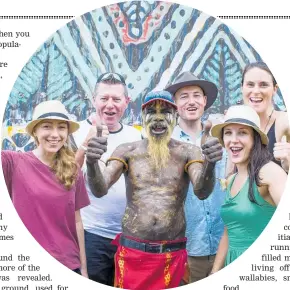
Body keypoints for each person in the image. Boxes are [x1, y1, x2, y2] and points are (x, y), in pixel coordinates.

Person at [85, 90, 223, 290]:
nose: (158, 119)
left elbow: (202, 192)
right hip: (132, 253)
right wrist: (91, 162)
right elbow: (100, 189)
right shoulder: (127, 150)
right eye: (151, 111)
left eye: (165, 111)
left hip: (171, 255)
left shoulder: (188, 152)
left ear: (175, 117)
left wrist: (210, 162)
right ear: (142, 117)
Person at [1, 100, 90, 275]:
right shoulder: (12, 163)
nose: (55, 134)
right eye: (47, 127)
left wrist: (84, 269)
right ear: (35, 131)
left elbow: (77, 221)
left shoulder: (73, 170)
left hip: (69, 264)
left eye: (61, 128)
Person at [72, 72, 141, 285]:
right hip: (91, 234)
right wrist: (88, 141)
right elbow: (66, 179)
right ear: (94, 100)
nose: (110, 105)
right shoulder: (76, 132)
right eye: (104, 98)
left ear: (127, 102)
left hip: (129, 238)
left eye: (116, 99)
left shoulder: (136, 136)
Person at [165, 71, 228, 283]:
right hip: (186, 248)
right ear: (174, 104)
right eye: (184, 96)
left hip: (224, 245)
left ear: (205, 101)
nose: (191, 102)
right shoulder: (165, 143)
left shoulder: (223, 138)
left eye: (196, 95)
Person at [210, 105, 287, 271]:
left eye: (242, 133)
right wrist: (214, 272)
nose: (234, 139)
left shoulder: (269, 173)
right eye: (228, 132)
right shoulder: (231, 180)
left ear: (255, 139)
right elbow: (229, 231)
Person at [241, 61, 290, 171]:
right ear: (242, 87)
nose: (256, 91)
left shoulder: (284, 122)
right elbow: (229, 177)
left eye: (263, 85)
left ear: (275, 89)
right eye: (250, 84)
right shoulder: (236, 124)